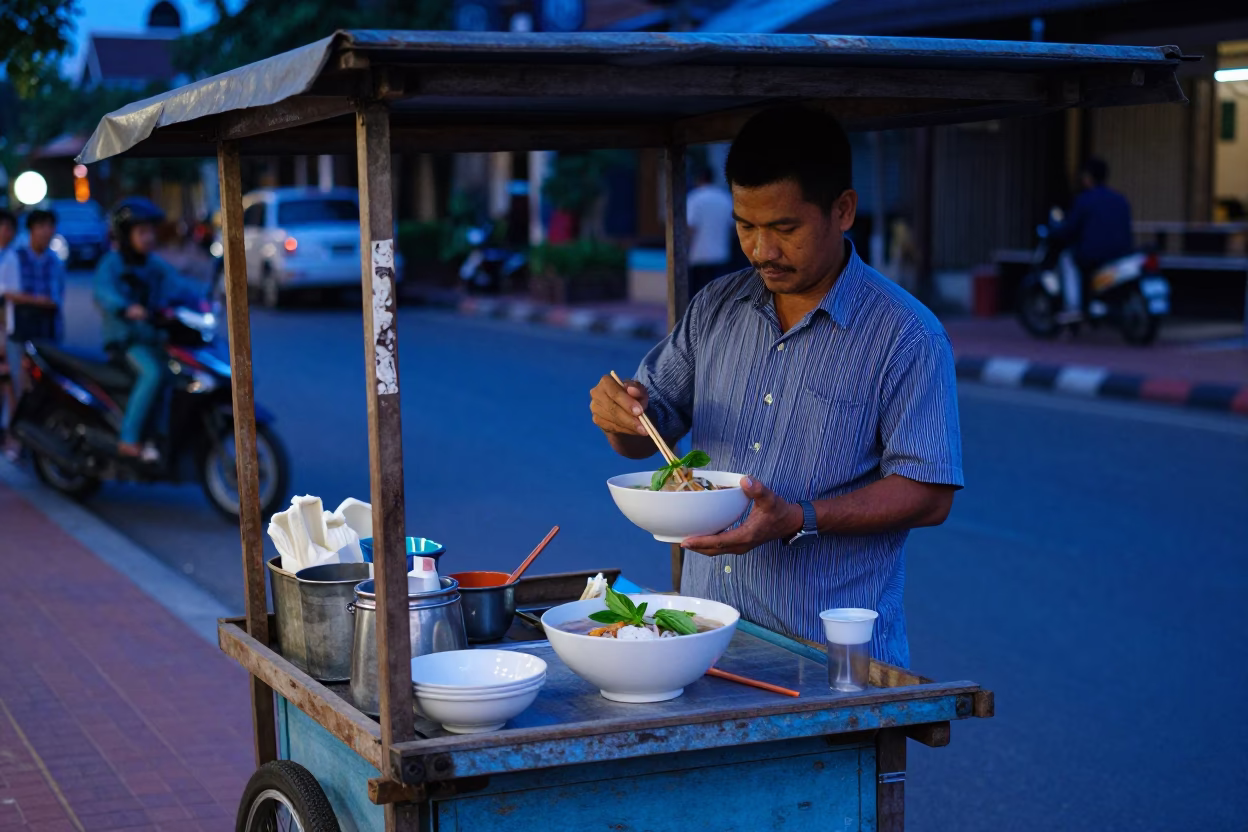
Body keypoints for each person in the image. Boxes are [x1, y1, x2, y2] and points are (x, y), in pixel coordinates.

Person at [589, 106, 963, 668]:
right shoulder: (716, 307)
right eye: (746, 226)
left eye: (784, 229)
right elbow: (649, 433)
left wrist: (798, 518)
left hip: (832, 659)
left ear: (842, 210)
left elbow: (929, 494)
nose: (761, 250)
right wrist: (621, 418)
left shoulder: (907, 335)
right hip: (703, 641)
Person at [94, 197, 204, 460]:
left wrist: (205, 299)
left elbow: (179, 284)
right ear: (125, 234)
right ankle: (129, 438)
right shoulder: (111, 264)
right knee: (153, 374)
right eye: (142, 232)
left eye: (151, 231)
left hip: (154, 338)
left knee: (178, 375)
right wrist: (125, 307)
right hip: (127, 341)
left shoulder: (152, 264)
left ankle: (159, 436)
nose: (149, 237)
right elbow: (104, 293)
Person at [0, 209, 65, 460]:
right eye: (42, 226)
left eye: (50, 226)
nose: (46, 232)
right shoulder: (14, 258)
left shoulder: (54, 261)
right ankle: (16, 438)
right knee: (19, 386)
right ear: (32, 230)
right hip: (20, 332)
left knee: (45, 387)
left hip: (48, 332)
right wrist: (38, 301)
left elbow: (58, 298)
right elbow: (6, 293)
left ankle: (40, 441)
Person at [1050, 157, 1134, 315]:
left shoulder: (1084, 200)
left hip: (1094, 255)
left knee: (1067, 259)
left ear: (1088, 177)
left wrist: (1057, 232)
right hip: (1121, 254)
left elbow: (1070, 228)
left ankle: (1073, 307)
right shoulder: (1120, 199)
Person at [686, 166, 735, 298]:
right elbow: (732, 227)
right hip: (721, 254)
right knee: (721, 296)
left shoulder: (694, 198)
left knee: (699, 297)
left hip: (699, 255)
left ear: (699, 179)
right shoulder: (725, 198)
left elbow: (690, 227)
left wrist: (686, 250)